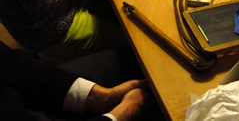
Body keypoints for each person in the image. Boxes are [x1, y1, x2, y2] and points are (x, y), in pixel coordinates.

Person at [0, 40, 153, 121]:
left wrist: (102, 96)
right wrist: (121, 115)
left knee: (139, 56)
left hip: (14, 99)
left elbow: (8, 62)